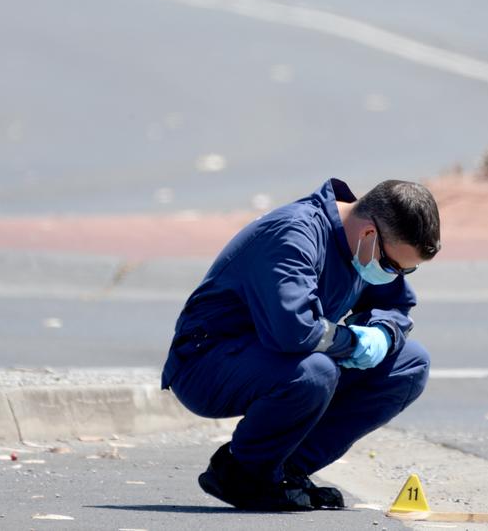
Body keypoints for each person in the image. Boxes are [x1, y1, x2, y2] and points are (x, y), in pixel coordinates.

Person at [161, 177, 440, 511]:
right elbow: (295, 332)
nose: (394, 275)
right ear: (369, 233)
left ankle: (285, 471)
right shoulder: (294, 235)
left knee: (410, 364)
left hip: (277, 360)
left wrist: (382, 333)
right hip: (206, 363)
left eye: (405, 272)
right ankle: (244, 471)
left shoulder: (363, 252)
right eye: (393, 266)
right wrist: (353, 343)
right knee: (315, 371)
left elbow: (395, 307)